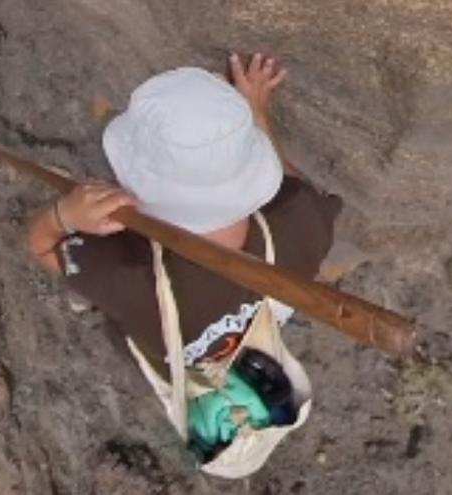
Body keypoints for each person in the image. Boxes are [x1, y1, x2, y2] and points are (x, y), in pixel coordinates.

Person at [25, 53, 342, 379]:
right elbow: (291, 186)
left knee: (88, 273)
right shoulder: (305, 221)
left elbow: (40, 246)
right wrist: (255, 115)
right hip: (219, 347)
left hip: (153, 331)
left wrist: (63, 216)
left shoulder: (124, 275)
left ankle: (83, 287)